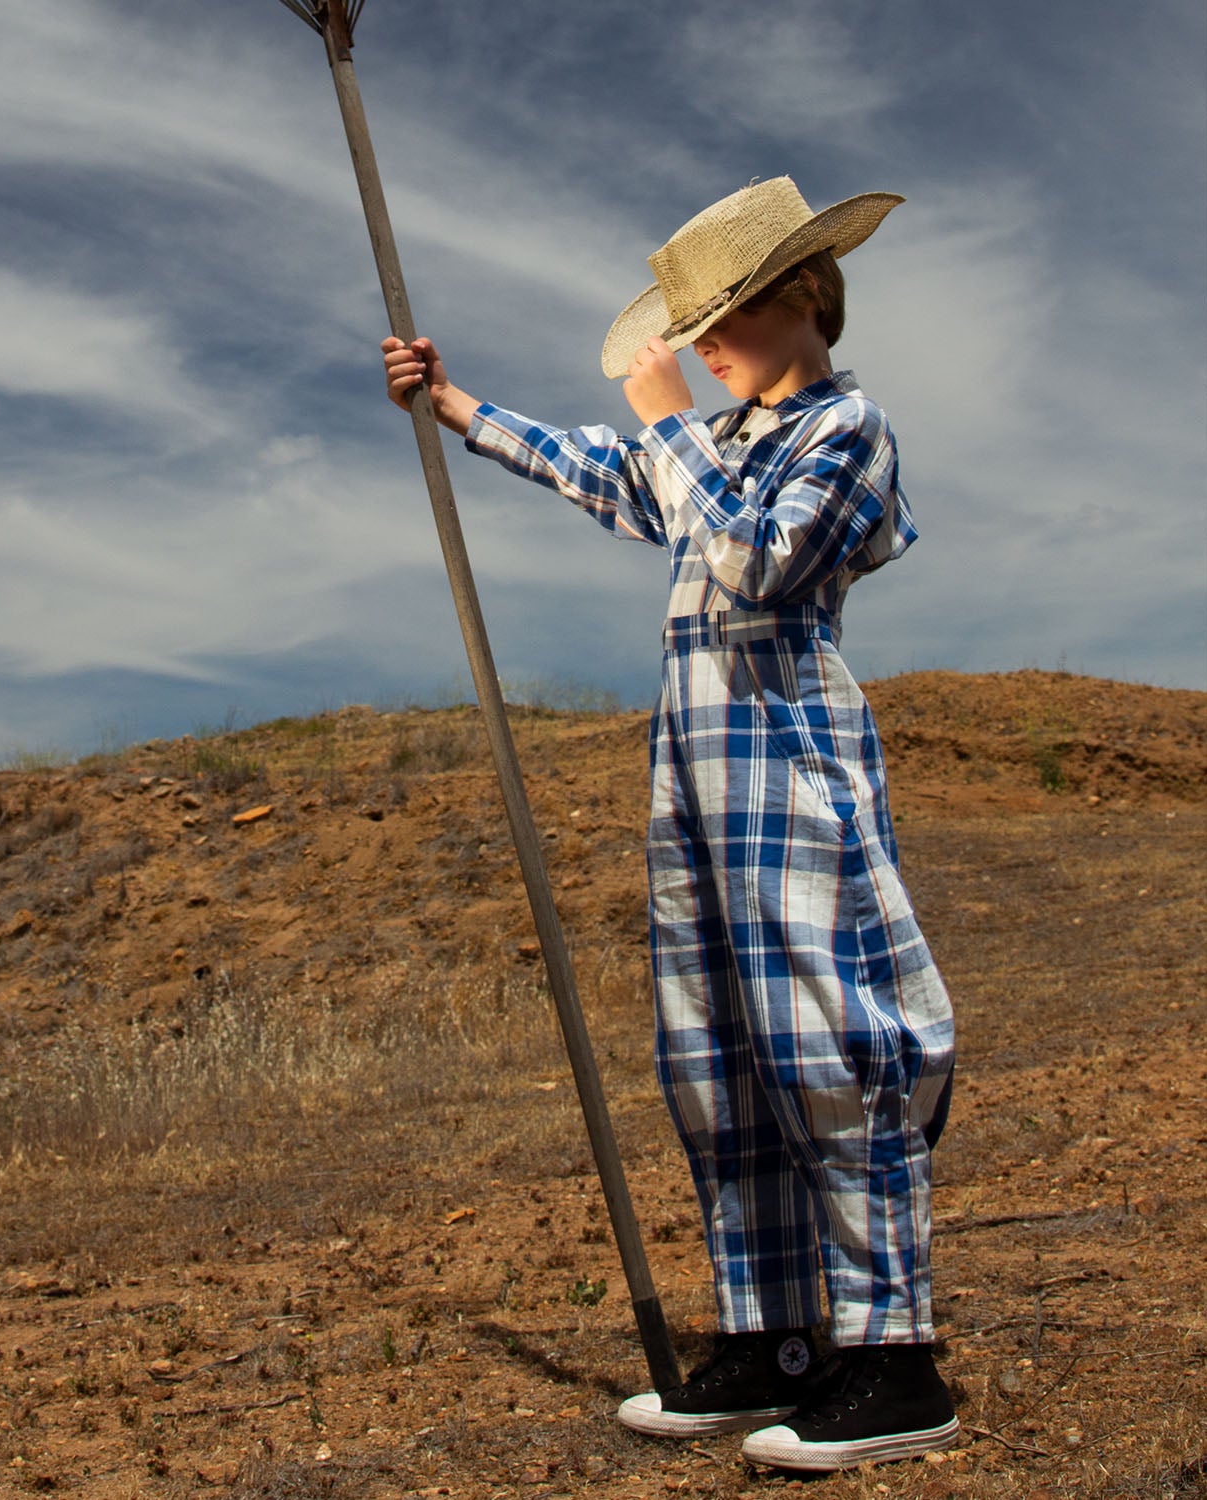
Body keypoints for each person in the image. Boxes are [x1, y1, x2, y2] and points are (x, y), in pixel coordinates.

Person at [381, 177, 959, 1474]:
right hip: (692, 782)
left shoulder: (847, 429)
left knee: (827, 1036)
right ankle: (777, 1338)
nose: (702, 340)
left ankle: (896, 1354)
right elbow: (604, 468)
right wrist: (455, 404)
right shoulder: (717, 445)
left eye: (728, 308)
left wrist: (670, 426)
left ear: (805, 295)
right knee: (716, 1056)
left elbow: (762, 562)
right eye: (692, 319)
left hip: (789, 764)